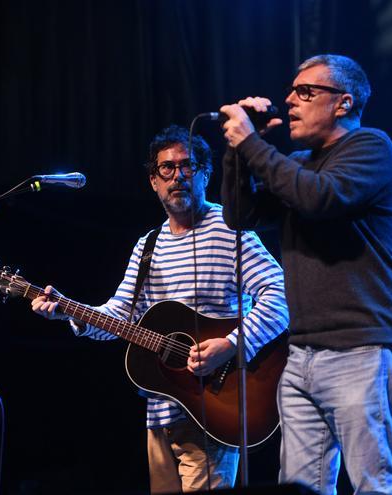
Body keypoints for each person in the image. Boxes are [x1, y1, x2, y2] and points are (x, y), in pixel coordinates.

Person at [30, 125, 289, 493]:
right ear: (153, 180)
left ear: (205, 173)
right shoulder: (147, 245)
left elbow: (280, 294)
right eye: (166, 169)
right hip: (162, 410)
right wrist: (69, 311)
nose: (178, 176)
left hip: (218, 407)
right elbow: (120, 316)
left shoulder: (232, 229)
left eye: (188, 166)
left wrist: (231, 344)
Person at [219, 54, 392, 494]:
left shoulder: (371, 147)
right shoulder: (300, 162)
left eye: (305, 91)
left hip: (361, 347)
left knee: (374, 486)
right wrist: (237, 153)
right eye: (291, 91)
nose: (290, 101)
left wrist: (254, 146)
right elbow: (240, 215)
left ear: (342, 103)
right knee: (300, 487)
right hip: (302, 354)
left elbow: (319, 199)